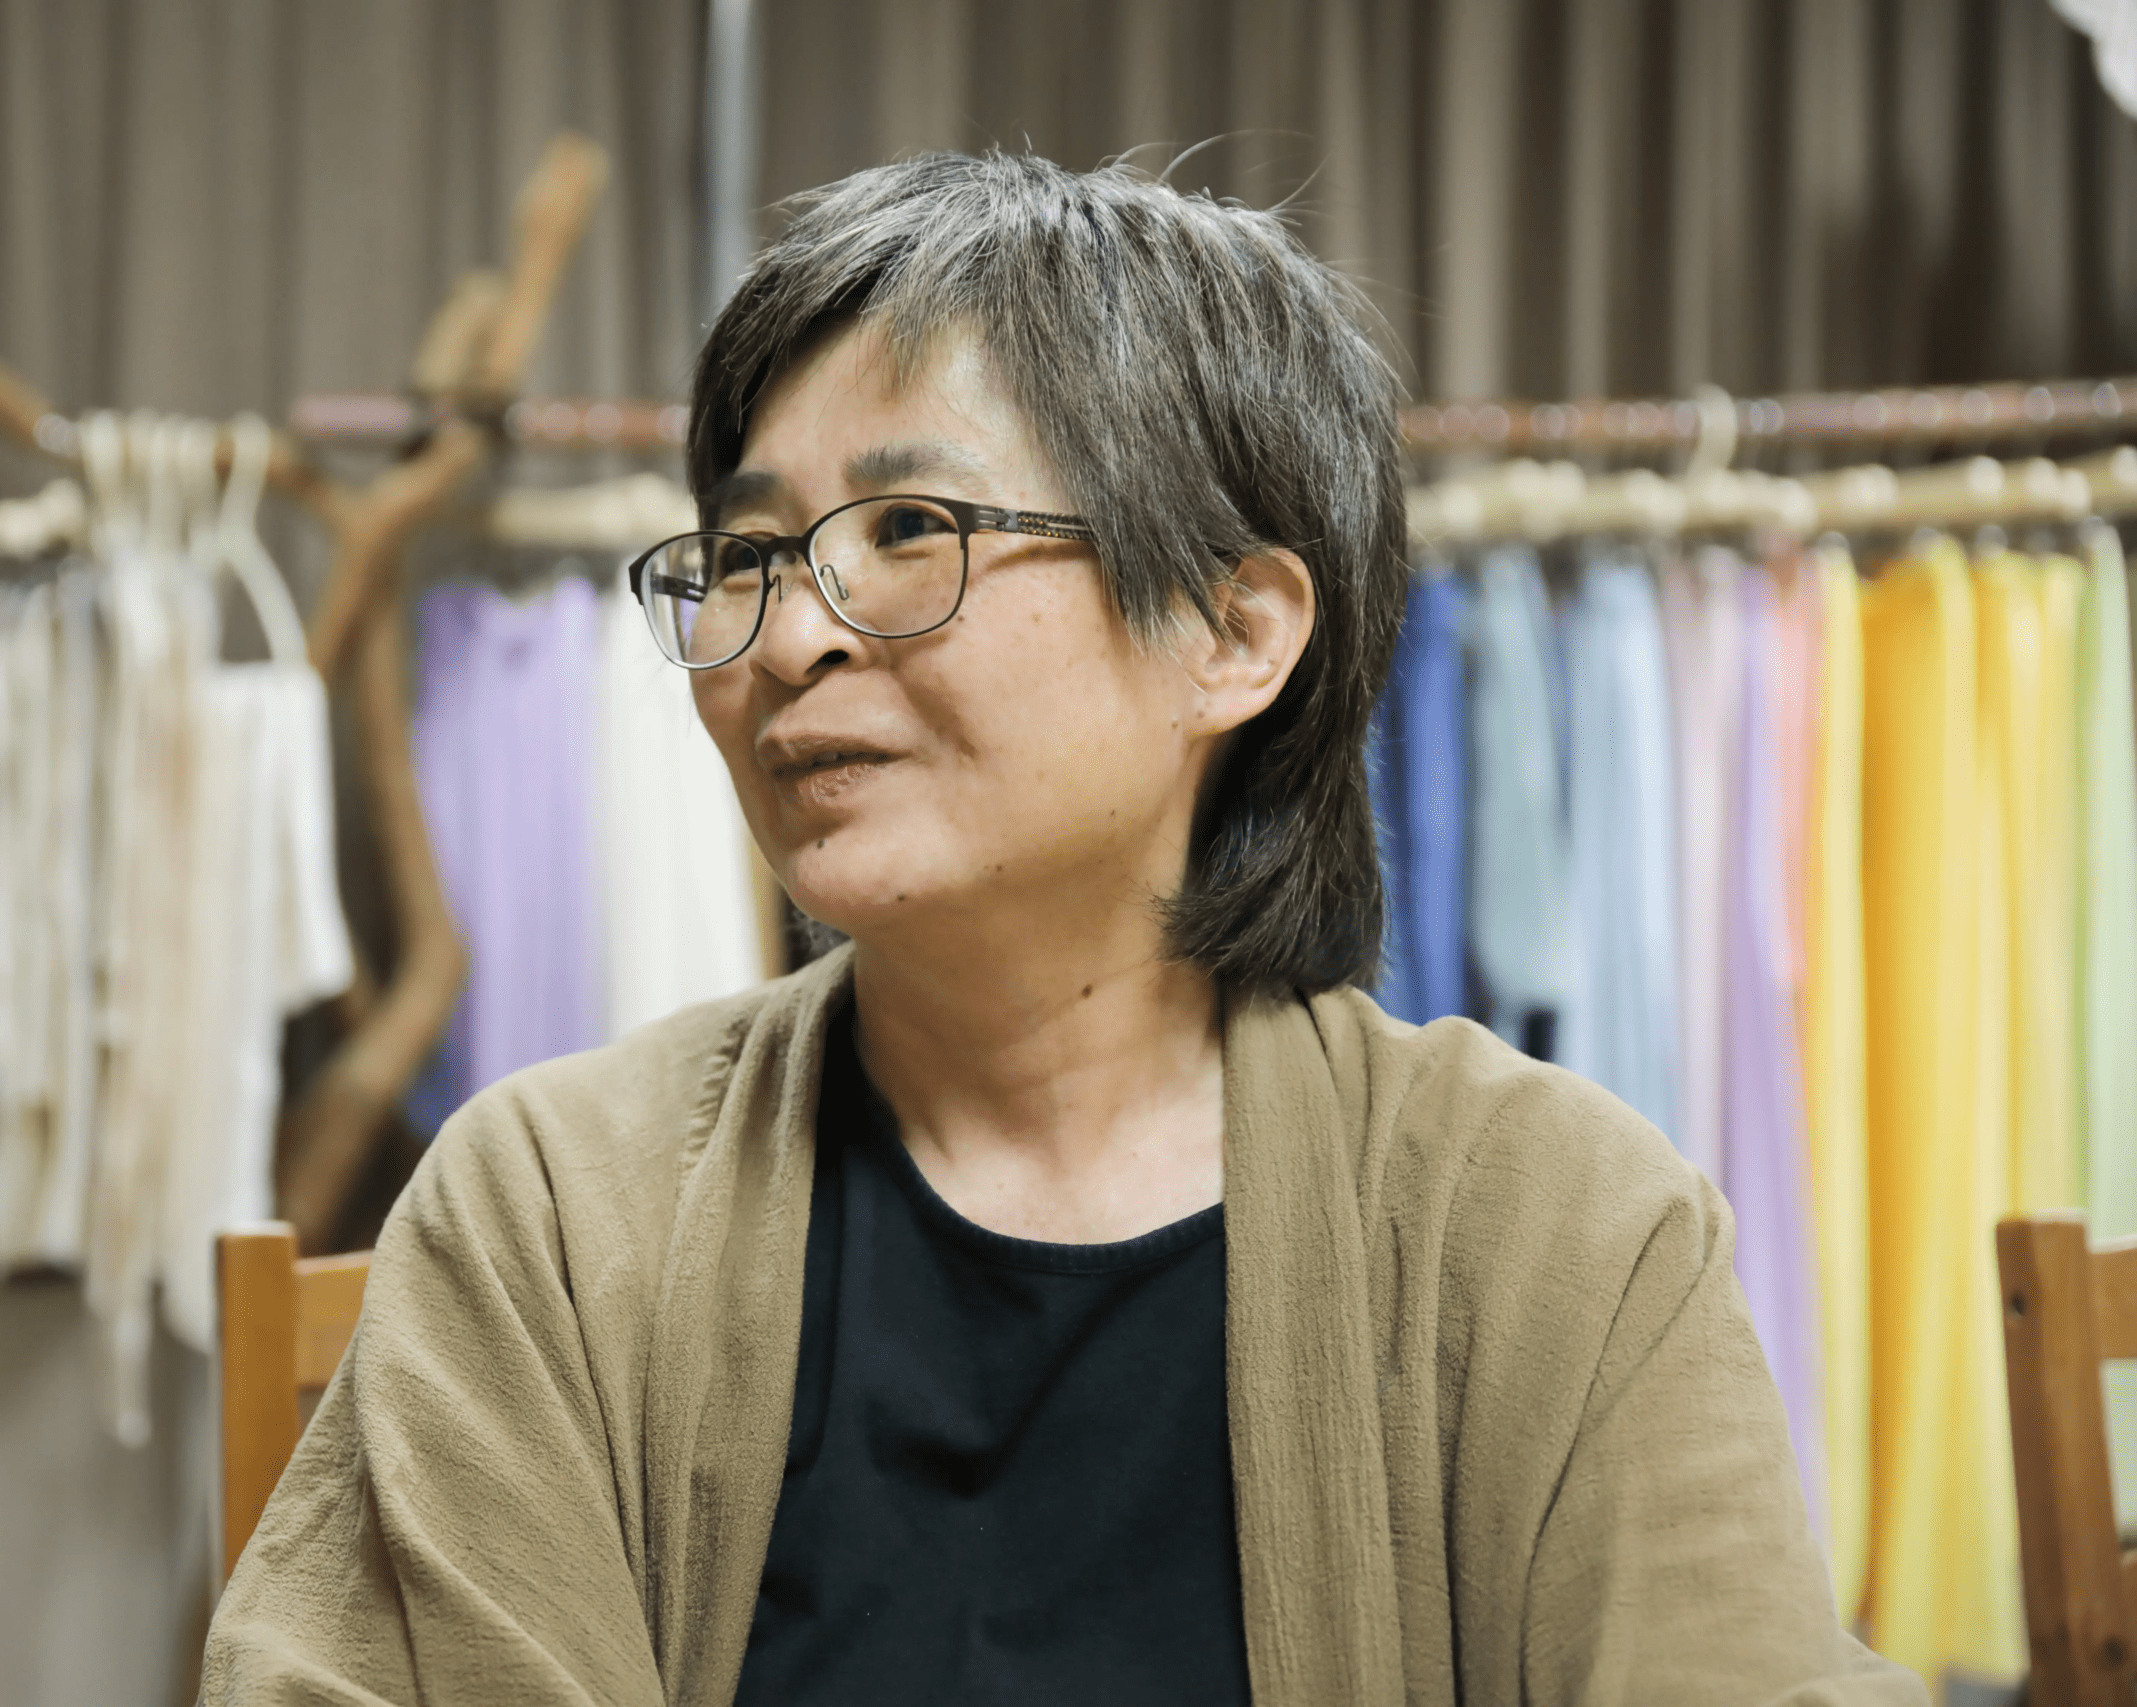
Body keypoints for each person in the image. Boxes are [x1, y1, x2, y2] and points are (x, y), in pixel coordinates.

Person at [203, 152, 1921, 1706]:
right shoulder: (553, 1212)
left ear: (1233, 632)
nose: (788, 637)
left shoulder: (1555, 1234)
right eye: (745, 555)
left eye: (909, 529)